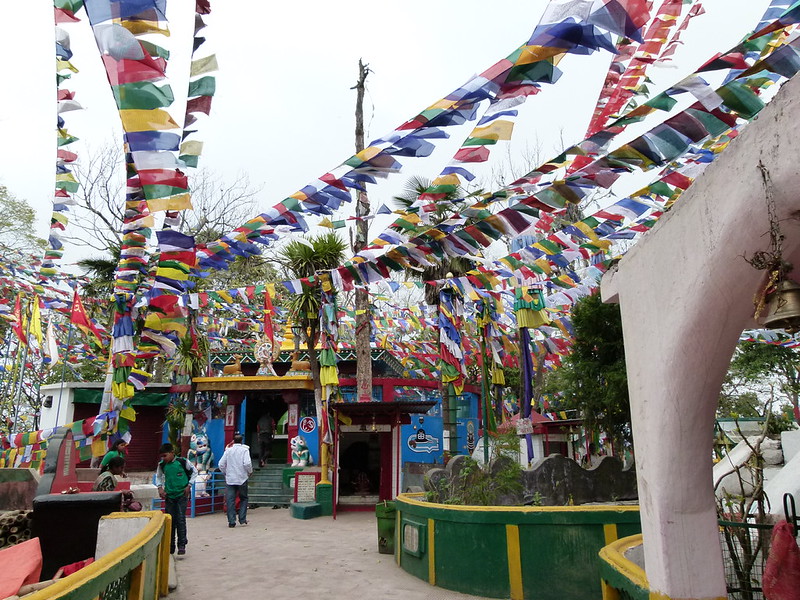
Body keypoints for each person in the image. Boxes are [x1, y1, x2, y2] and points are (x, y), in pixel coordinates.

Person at [155, 443, 197, 555]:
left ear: (172, 453)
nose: (163, 458)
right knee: (170, 521)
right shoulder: (162, 465)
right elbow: (158, 476)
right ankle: (171, 546)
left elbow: (194, 472)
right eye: (162, 457)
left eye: (165, 455)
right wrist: (160, 488)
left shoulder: (183, 462)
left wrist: (189, 485)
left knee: (181, 519)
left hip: (182, 495)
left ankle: (182, 545)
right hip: (169, 496)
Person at [218, 433, 253, 528]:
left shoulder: (228, 451)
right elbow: (247, 463)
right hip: (242, 478)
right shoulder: (245, 450)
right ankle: (242, 519)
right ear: (241, 441)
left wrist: (226, 472)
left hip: (230, 479)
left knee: (230, 500)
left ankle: (231, 521)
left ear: (233, 441)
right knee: (244, 498)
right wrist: (249, 472)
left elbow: (221, 464)